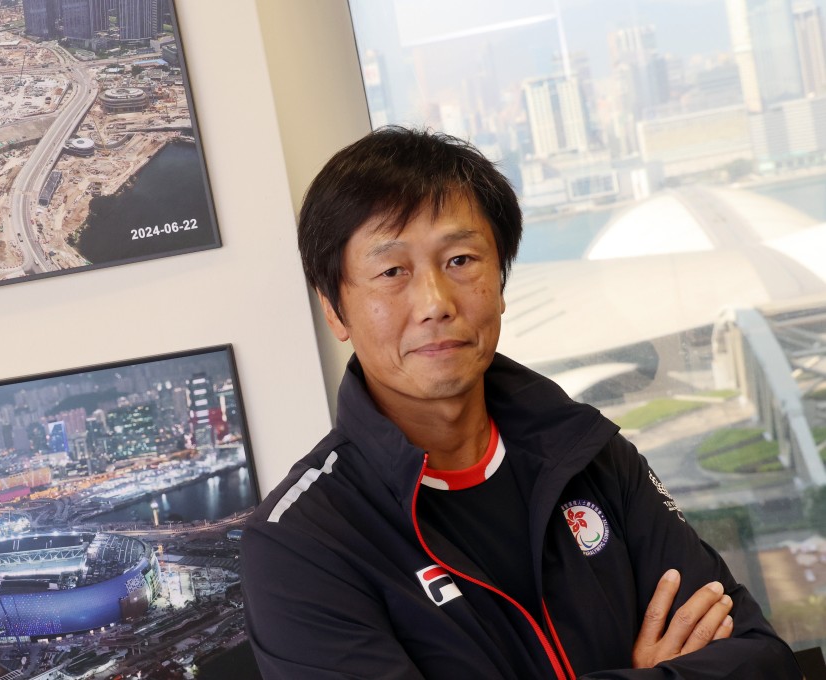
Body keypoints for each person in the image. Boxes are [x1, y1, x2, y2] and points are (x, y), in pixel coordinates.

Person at [240, 127, 801, 679]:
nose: (435, 302)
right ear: (335, 308)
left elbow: (763, 659)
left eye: (460, 260)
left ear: (501, 281)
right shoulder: (301, 543)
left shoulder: (589, 454)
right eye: (392, 272)